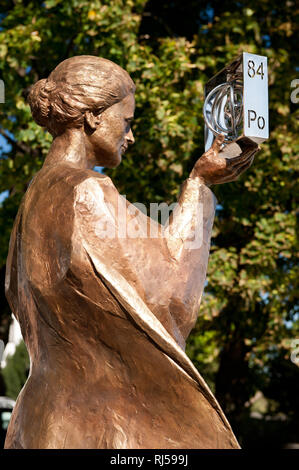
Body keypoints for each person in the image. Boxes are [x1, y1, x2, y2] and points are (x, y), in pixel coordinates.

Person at [5, 55, 258, 449]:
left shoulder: (31, 200)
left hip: (42, 419)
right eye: (126, 122)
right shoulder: (86, 190)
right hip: (104, 423)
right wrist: (200, 186)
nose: (131, 136)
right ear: (92, 118)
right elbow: (168, 298)